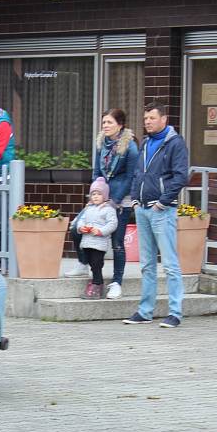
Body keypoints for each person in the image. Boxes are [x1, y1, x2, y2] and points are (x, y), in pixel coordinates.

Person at [123, 101, 189, 328]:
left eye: (152, 118)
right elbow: (137, 174)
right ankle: (145, 311)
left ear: (164, 119)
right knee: (147, 264)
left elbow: (181, 176)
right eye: (145, 119)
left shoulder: (175, 144)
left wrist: (162, 202)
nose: (147, 122)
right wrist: (134, 199)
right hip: (141, 209)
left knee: (170, 264)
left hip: (162, 211)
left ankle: (175, 313)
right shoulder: (146, 143)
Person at [65, 108, 139, 301]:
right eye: (104, 122)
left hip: (120, 199)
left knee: (117, 242)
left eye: (109, 123)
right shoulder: (101, 143)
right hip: (100, 196)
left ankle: (116, 282)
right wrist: (94, 194)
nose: (105, 126)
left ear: (120, 125)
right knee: (76, 227)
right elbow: (97, 171)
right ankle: (82, 262)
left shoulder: (129, 147)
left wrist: (114, 201)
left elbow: (132, 176)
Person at [74, 177, 118, 299]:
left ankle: (97, 284)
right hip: (87, 241)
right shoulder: (88, 208)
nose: (96, 196)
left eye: (99, 194)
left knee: (96, 263)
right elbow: (81, 220)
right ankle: (95, 282)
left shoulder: (108, 209)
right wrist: (81, 227)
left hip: (99, 243)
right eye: (93, 194)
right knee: (90, 262)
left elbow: (112, 224)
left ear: (105, 195)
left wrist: (100, 231)